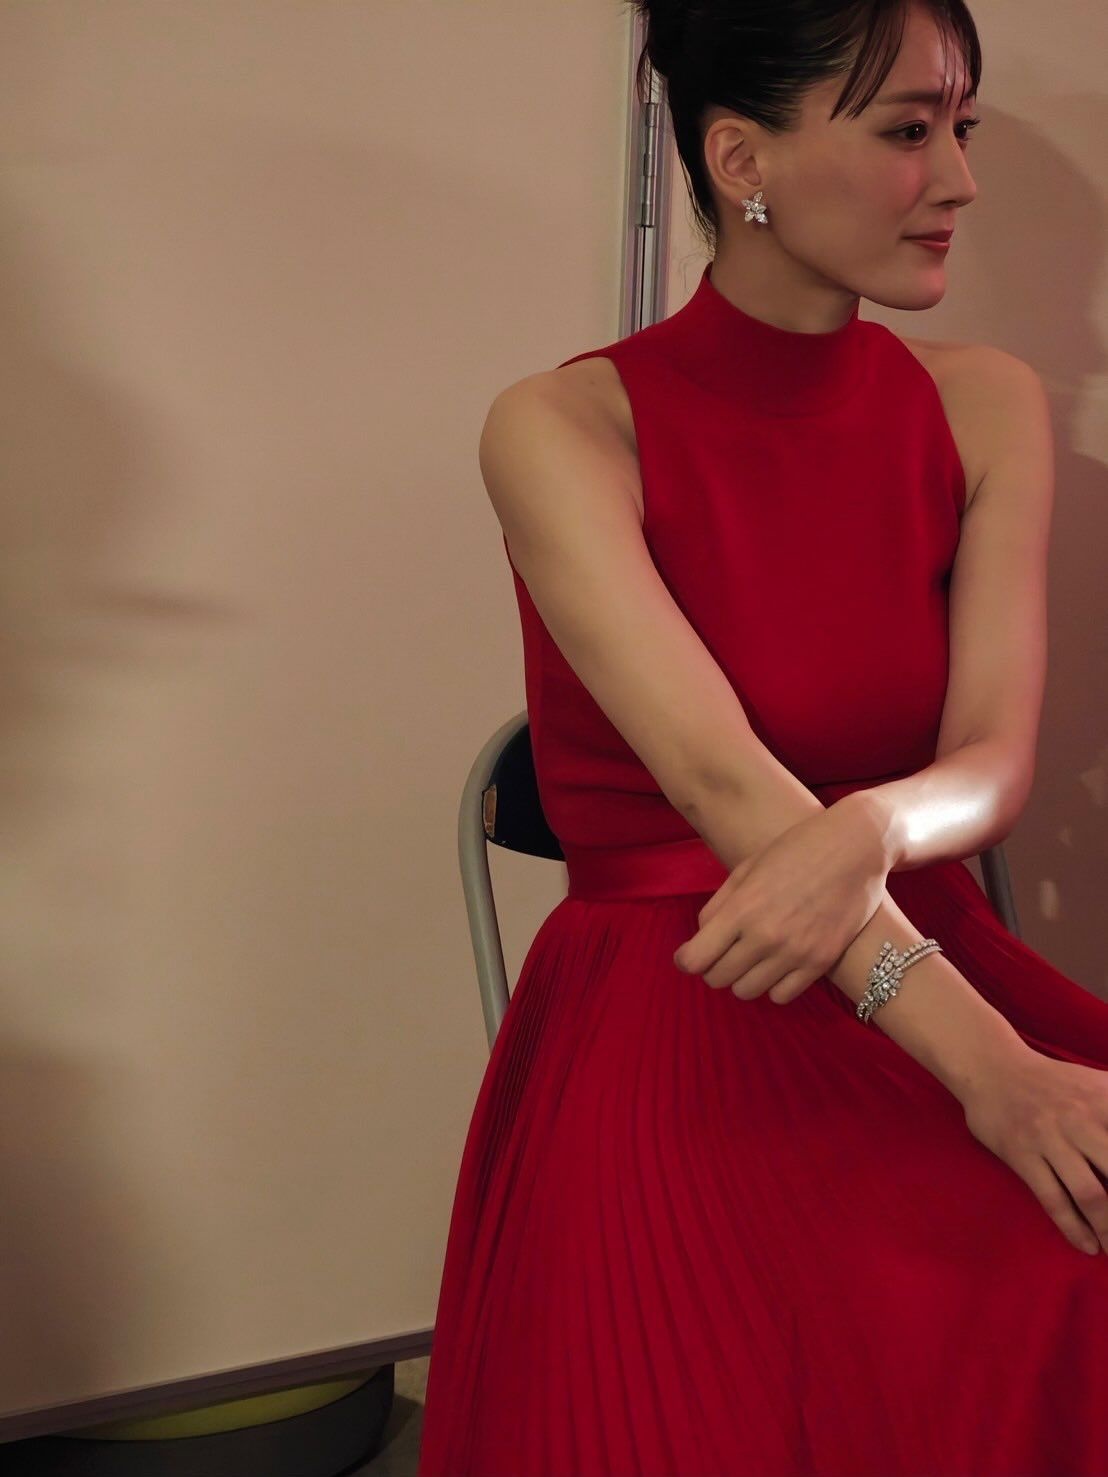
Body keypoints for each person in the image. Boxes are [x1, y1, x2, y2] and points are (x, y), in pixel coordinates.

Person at [418, 2, 1108, 1473]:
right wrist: (992, 1073)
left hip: (918, 944)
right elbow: (723, 785)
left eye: (963, 128)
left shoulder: (983, 405)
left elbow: (992, 760)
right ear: (743, 160)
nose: (959, 179)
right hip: (684, 988)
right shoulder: (561, 427)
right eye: (909, 130)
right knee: (953, 1304)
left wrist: (870, 828)